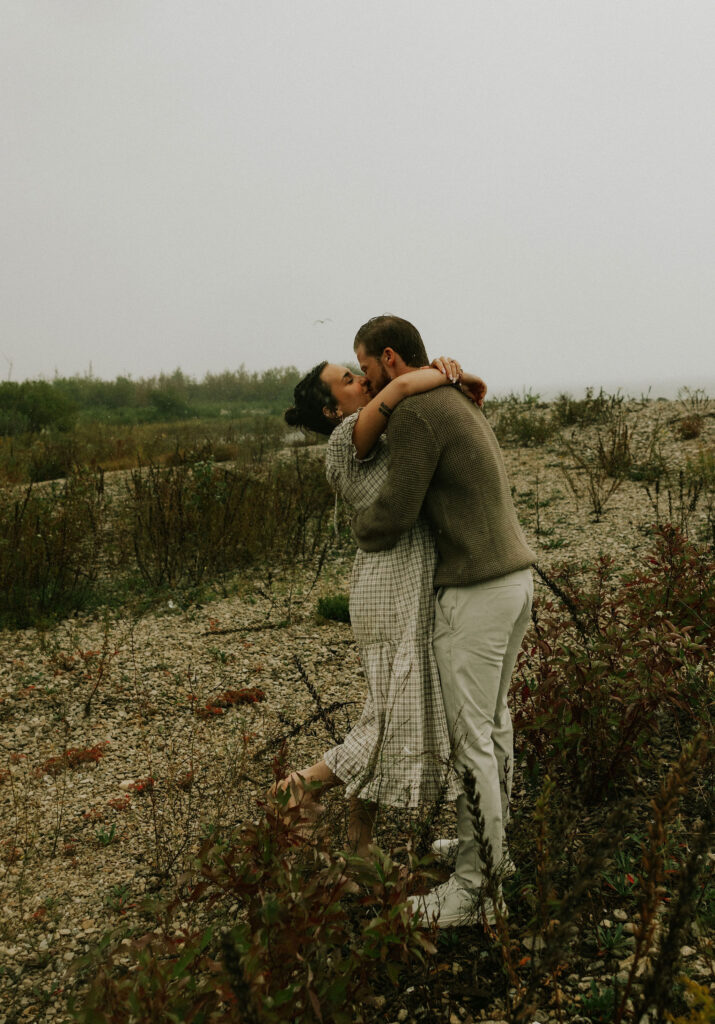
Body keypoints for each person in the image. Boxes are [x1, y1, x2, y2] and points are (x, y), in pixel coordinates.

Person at [352, 315, 535, 927]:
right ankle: (491, 851)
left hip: (476, 589)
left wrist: (356, 527)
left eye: (366, 369)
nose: (365, 382)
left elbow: (397, 509)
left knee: (471, 739)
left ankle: (476, 889)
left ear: (389, 358)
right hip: (513, 578)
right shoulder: (453, 397)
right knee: (494, 725)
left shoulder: (415, 412)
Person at [276, 355, 487, 856]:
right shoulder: (345, 438)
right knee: (392, 717)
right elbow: (403, 388)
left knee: (388, 712)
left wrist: (456, 376)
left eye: (357, 371)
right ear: (332, 411)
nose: (362, 380)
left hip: (402, 579)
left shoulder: (379, 432)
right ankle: (300, 786)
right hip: (389, 587)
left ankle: (359, 844)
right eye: (348, 380)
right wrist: (447, 372)